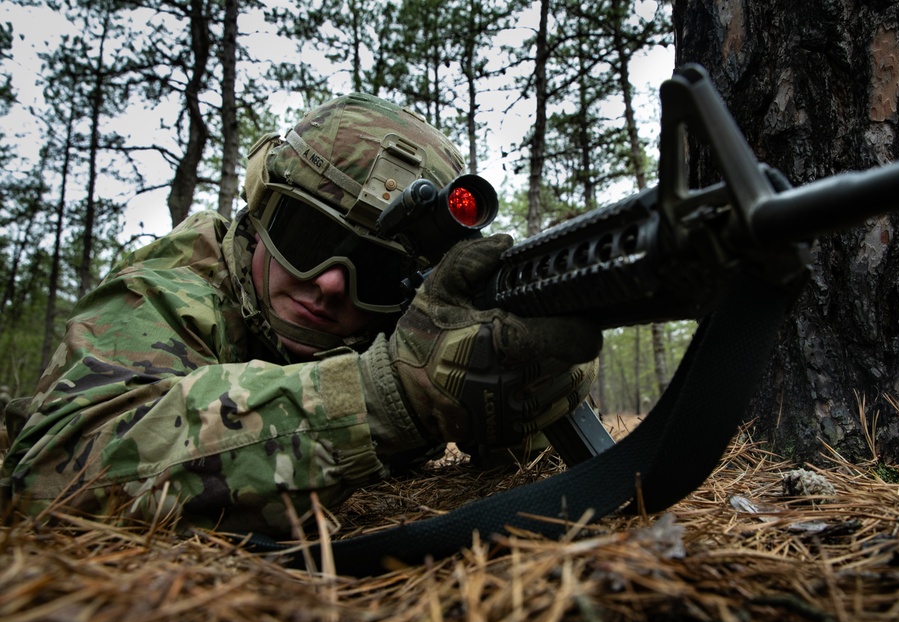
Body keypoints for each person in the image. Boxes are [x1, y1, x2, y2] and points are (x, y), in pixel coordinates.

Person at [0, 93, 600, 536]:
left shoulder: (404, 322)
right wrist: (388, 393)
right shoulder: (172, 291)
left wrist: (523, 390)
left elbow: (509, 467)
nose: (332, 283)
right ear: (260, 214)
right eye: (309, 239)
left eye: (377, 269)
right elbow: (55, 473)